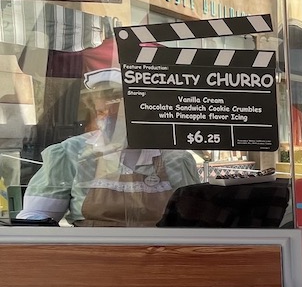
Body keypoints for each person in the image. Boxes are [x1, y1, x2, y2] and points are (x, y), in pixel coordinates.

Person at [16, 68, 200, 227]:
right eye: (102, 106)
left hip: (161, 259)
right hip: (92, 260)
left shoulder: (175, 159)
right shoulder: (71, 153)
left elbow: (193, 221)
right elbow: (37, 218)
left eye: (118, 103)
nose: (109, 111)